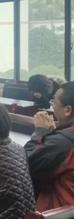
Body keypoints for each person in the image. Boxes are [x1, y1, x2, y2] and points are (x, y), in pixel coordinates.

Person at [24, 81, 74, 211]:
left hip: (60, 217)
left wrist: (40, 132)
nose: (52, 107)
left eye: (54, 103)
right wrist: (53, 134)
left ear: (68, 110)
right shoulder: (63, 139)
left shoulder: (62, 142)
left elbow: (25, 164)